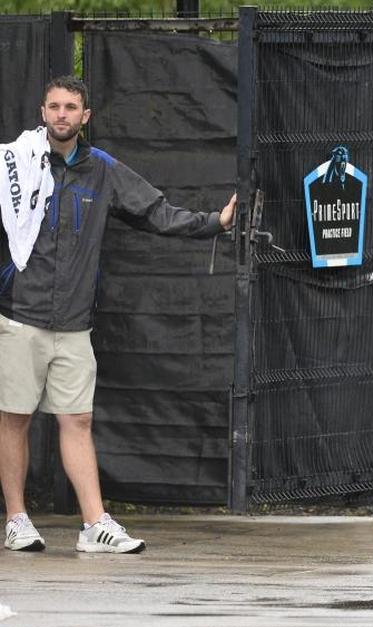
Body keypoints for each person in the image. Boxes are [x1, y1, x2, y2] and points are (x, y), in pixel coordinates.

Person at [0, 76, 236, 554]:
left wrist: (215, 222)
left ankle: (94, 525)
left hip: (74, 324)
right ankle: (17, 520)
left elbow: (155, 211)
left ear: (85, 116)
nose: (61, 114)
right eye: (54, 106)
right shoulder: (15, 166)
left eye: (71, 107)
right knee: (14, 419)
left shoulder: (102, 170)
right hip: (20, 316)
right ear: (42, 112)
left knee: (78, 421)